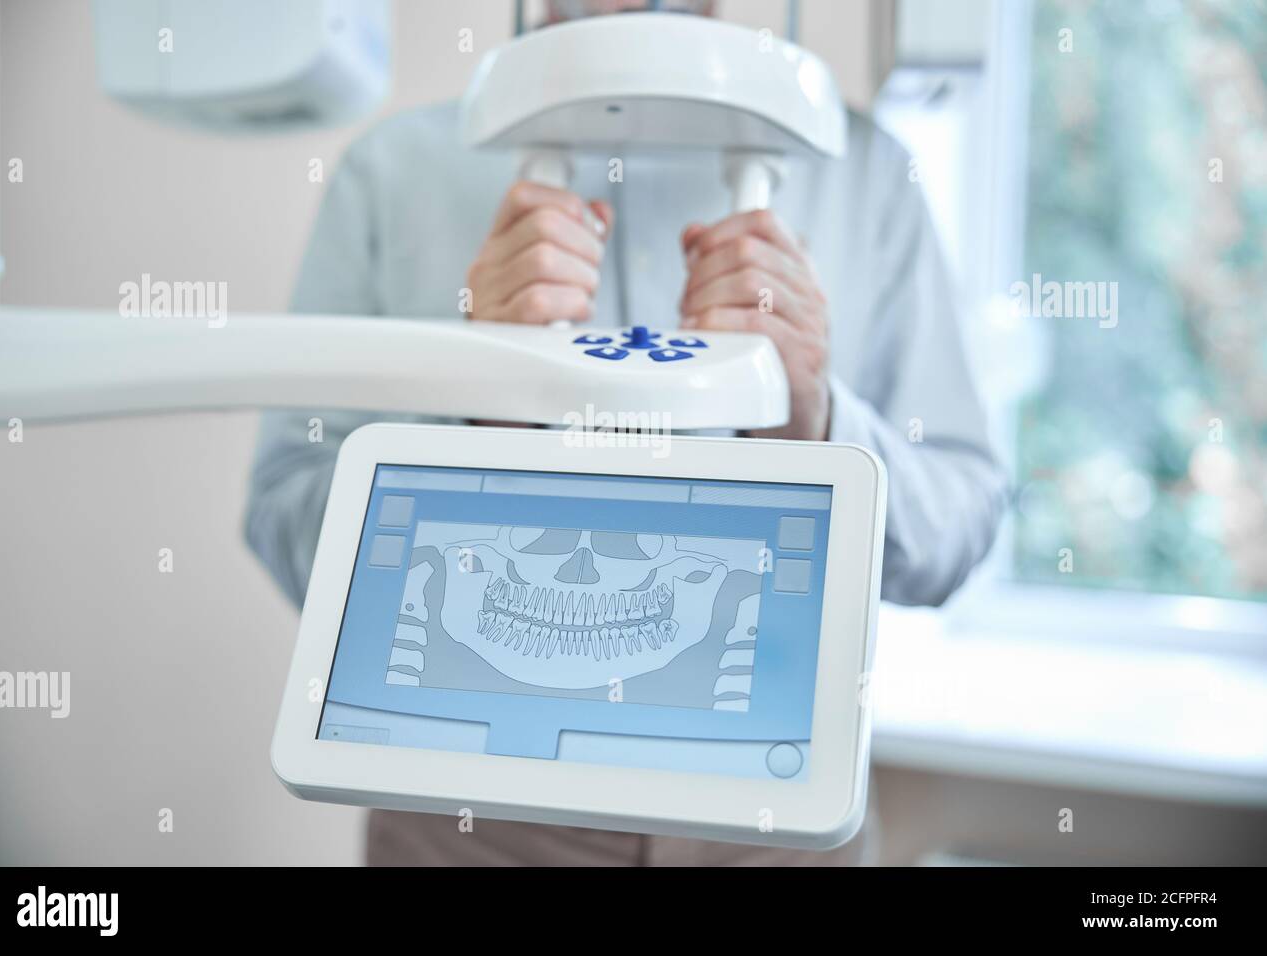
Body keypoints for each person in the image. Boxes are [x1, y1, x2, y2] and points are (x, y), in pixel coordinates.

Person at [244, 0, 1005, 866]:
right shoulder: (393, 172)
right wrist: (478, 410)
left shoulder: (868, 174)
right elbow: (285, 517)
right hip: (466, 824)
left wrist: (810, 419)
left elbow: (961, 526)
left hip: (777, 821)